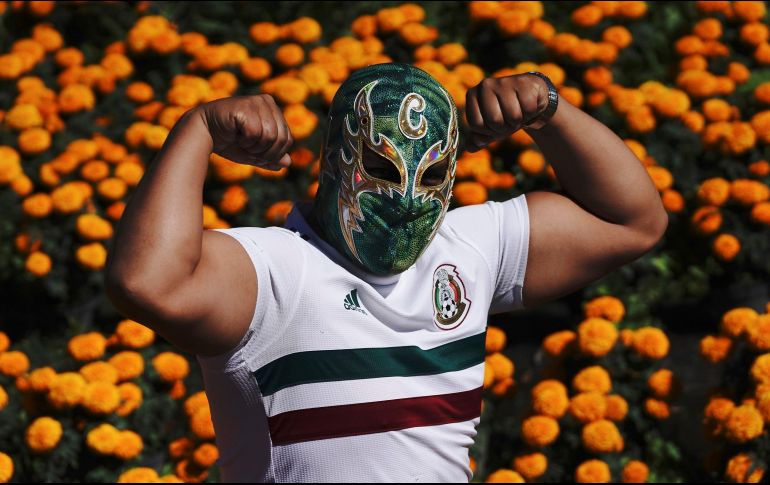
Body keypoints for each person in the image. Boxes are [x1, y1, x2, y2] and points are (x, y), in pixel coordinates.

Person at [105, 62, 668, 482]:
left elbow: (632, 222)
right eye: (380, 166)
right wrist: (197, 130)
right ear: (335, 161)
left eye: (430, 177)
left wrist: (549, 110)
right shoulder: (277, 271)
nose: (405, 199)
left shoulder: (464, 249)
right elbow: (146, 282)